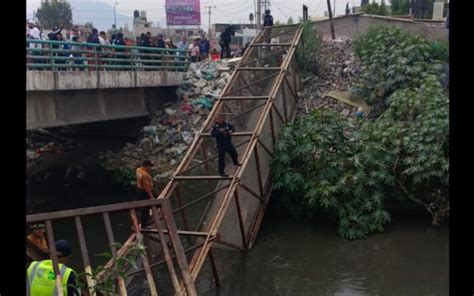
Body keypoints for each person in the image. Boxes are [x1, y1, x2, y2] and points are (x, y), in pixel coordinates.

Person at [136, 160, 155, 227]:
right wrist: (151, 196)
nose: (150, 168)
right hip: (144, 192)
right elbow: (147, 187)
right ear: (146, 166)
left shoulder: (138, 170)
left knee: (141, 206)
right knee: (146, 208)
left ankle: (140, 220)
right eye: (150, 167)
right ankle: (144, 225)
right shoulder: (145, 175)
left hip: (139, 190)